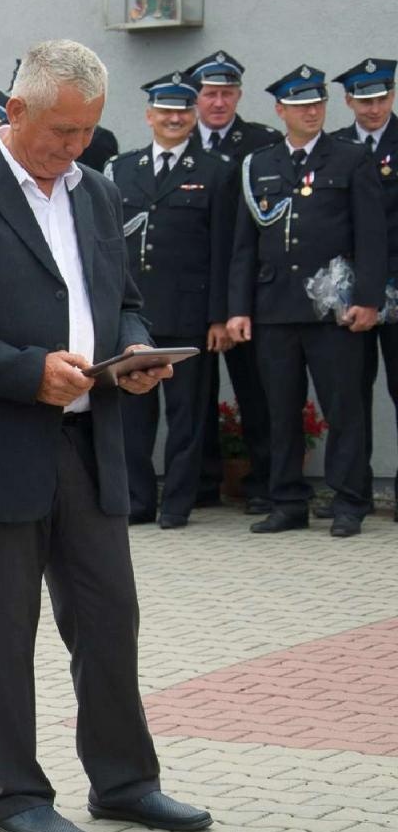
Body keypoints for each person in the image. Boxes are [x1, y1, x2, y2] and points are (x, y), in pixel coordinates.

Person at [0, 39, 212, 832]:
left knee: (110, 619)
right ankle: (15, 793)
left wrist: (135, 353)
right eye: (61, 132)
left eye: (88, 133)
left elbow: (125, 301)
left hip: (88, 442)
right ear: (19, 109)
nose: (74, 148)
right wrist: (27, 372)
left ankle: (126, 780)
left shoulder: (97, 193)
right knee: (2, 632)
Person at [225, 64, 384, 539]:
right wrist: (239, 307)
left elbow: (371, 236)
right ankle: (287, 500)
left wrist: (369, 299)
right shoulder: (261, 163)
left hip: (335, 309)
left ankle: (349, 501)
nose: (310, 112)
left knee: (344, 408)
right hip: (275, 308)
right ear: (280, 111)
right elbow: (244, 244)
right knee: (280, 409)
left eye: (316, 104)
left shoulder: (350, 158)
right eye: (299, 106)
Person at [107, 72, 235, 528]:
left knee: (188, 417)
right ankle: (139, 502)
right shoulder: (123, 169)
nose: (174, 118)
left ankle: (179, 504)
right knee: (133, 418)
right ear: (149, 116)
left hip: (190, 312)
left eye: (182, 111)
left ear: (193, 114)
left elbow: (225, 249)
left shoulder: (216, 170)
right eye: (165, 111)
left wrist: (220, 315)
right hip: (135, 316)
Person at [186, 49, 282, 513]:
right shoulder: (181, 140)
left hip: (248, 291)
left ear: (239, 95)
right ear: (196, 99)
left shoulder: (261, 143)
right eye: (210, 94)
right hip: (193, 293)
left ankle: (263, 482)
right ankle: (202, 483)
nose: (219, 103)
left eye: (227, 94)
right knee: (194, 398)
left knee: (255, 391)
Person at [331, 57, 398, 521]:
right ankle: (352, 497)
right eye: (364, 99)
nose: (373, 108)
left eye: (382, 98)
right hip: (349, 297)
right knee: (349, 397)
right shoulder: (333, 148)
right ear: (348, 100)